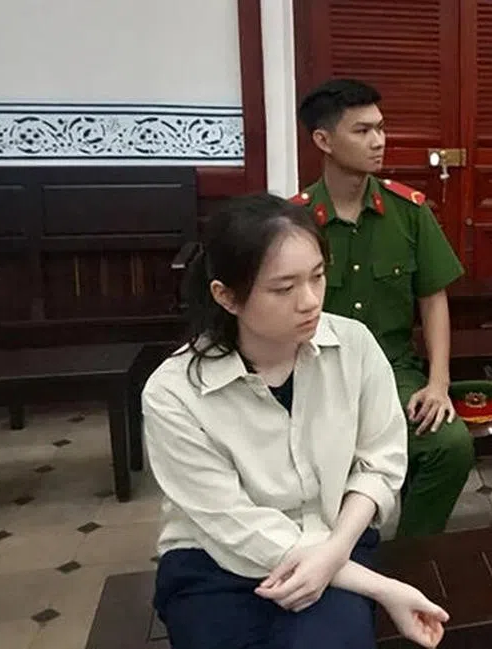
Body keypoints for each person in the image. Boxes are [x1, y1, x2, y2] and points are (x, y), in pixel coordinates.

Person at [142, 194, 449, 649]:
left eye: (318, 277)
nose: (310, 301)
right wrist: (380, 587)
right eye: (283, 289)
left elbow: (380, 464)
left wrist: (334, 552)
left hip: (336, 539)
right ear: (226, 296)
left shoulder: (355, 346)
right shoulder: (174, 393)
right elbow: (230, 522)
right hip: (215, 565)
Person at [294, 78, 474, 538]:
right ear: (323, 140)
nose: (378, 141)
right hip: (312, 374)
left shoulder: (409, 211)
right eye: (362, 131)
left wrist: (438, 383)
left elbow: (433, 298)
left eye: (380, 128)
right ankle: (333, 549)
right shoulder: (293, 221)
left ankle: (412, 554)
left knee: (450, 445)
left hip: (393, 372)